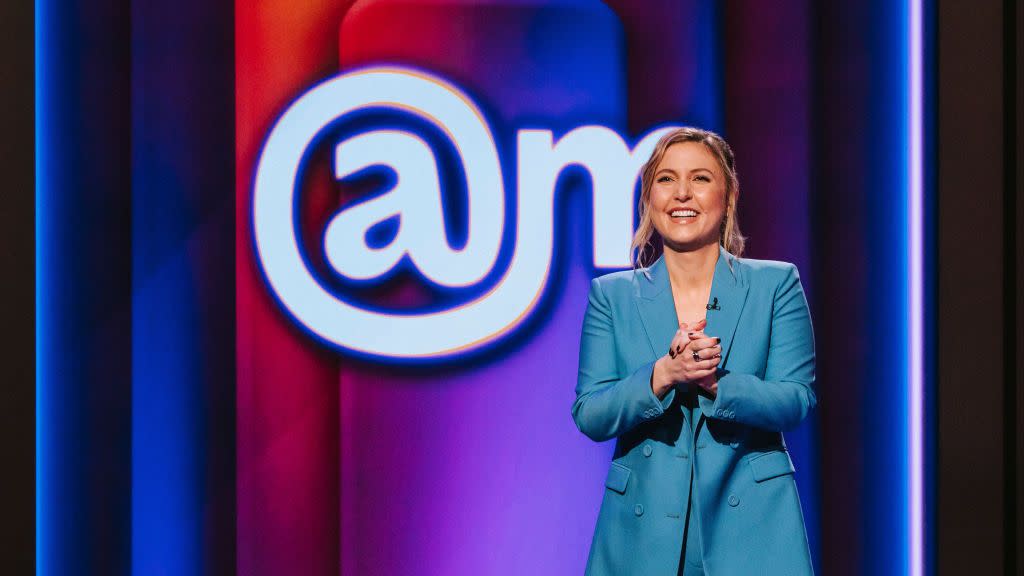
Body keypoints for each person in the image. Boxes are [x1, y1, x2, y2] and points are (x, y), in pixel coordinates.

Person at [573, 127, 816, 575]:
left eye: (700, 178)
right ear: (648, 197)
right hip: (641, 536)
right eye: (665, 179)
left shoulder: (775, 284)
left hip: (754, 530)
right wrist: (661, 375)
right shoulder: (612, 296)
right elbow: (590, 412)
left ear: (729, 194)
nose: (682, 193)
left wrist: (714, 383)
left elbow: (795, 400)